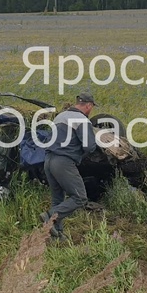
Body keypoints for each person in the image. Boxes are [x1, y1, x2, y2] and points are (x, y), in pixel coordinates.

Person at [39, 92, 97, 240]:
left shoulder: (60, 116)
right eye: (92, 107)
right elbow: (89, 146)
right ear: (88, 105)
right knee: (79, 197)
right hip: (63, 162)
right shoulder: (81, 119)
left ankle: (56, 235)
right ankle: (50, 216)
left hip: (49, 160)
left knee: (58, 199)